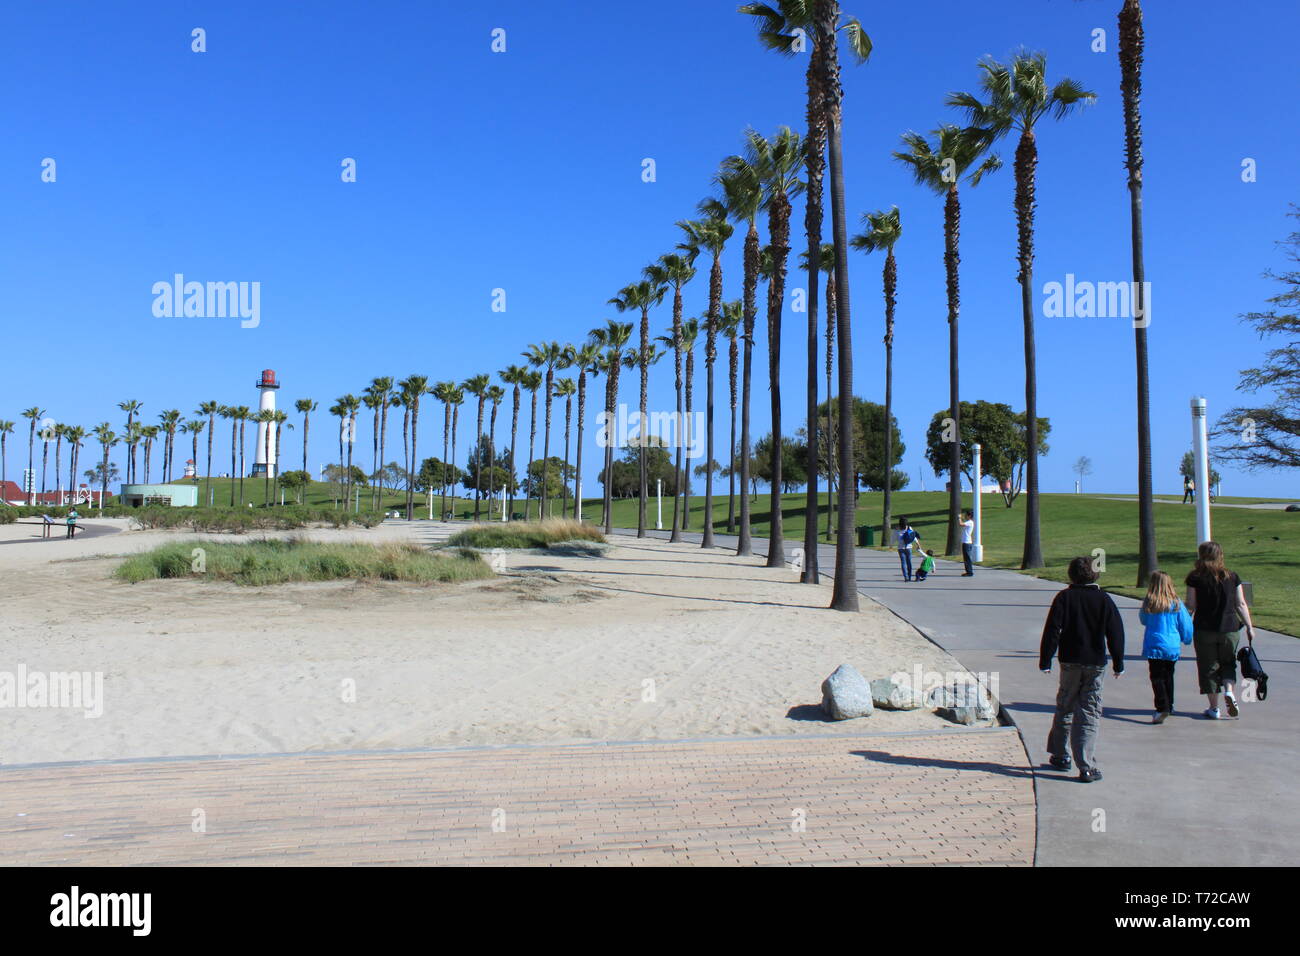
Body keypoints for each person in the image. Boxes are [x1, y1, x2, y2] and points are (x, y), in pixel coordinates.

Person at [1039, 556, 1125, 783]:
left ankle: (1060, 754)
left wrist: (1046, 659)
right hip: (1094, 663)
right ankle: (1085, 765)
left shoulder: (1064, 598)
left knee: (1065, 705)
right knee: (1089, 711)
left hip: (1069, 661)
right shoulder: (1103, 599)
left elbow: (1052, 630)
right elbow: (1115, 632)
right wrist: (1119, 661)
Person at [1185, 541, 1256, 719]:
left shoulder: (1195, 577)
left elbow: (1191, 605)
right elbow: (1240, 603)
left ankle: (1214, 708)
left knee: (1208, 667)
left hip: (1204, 628)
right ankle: (1229, 691)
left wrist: (1183, 625)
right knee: (1228, 662)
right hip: (1230, 628)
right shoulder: (1232, 576)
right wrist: (1249, 626)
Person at [1138, 570, 1194, 723]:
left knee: (1156, 677)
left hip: (1155, 645)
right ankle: (1170, 703)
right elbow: (1186, 624)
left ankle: (1162, 707)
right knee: (1168, 675)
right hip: (1172, 646)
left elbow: (1143, 620)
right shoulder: (1177, 603)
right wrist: (1187, 638)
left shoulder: (1149, 602)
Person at [892, 516, 919, 582]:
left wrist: (891, 545)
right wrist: (918, 544)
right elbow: (913, 536)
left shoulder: (896, 529)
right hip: (908, 547)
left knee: (903, 563)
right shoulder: (909, 528)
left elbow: (893, 538)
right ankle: (909, 576)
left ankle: (906, 577)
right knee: (909, 562)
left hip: (900, 548)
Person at [959, 509, 974, 576]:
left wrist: (959, 518)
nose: (965, 516)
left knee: (967, 558)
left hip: (967, 542)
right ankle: (968, 571)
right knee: (966, 558)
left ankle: (970, 572)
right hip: (966, 542)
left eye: (966, 515)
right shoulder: (968, 522)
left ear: (969, 516)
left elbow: (961, 524)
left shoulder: (970, 522)